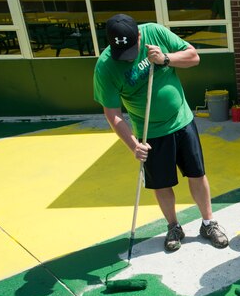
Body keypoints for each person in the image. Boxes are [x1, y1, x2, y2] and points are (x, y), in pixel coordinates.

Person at [93, 14, 228, 253]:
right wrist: (133, 145)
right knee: (161, 184)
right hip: (150, 131)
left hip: (182, 120)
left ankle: (208, 223)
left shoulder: (155, 32)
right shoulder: (105, 67)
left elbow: (193, 57)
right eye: (122, 55)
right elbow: (112, 114)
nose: (128, 59)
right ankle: (174, 226)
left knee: (197, 174)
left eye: (132, 51)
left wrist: (166, 58)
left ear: (139, 36)